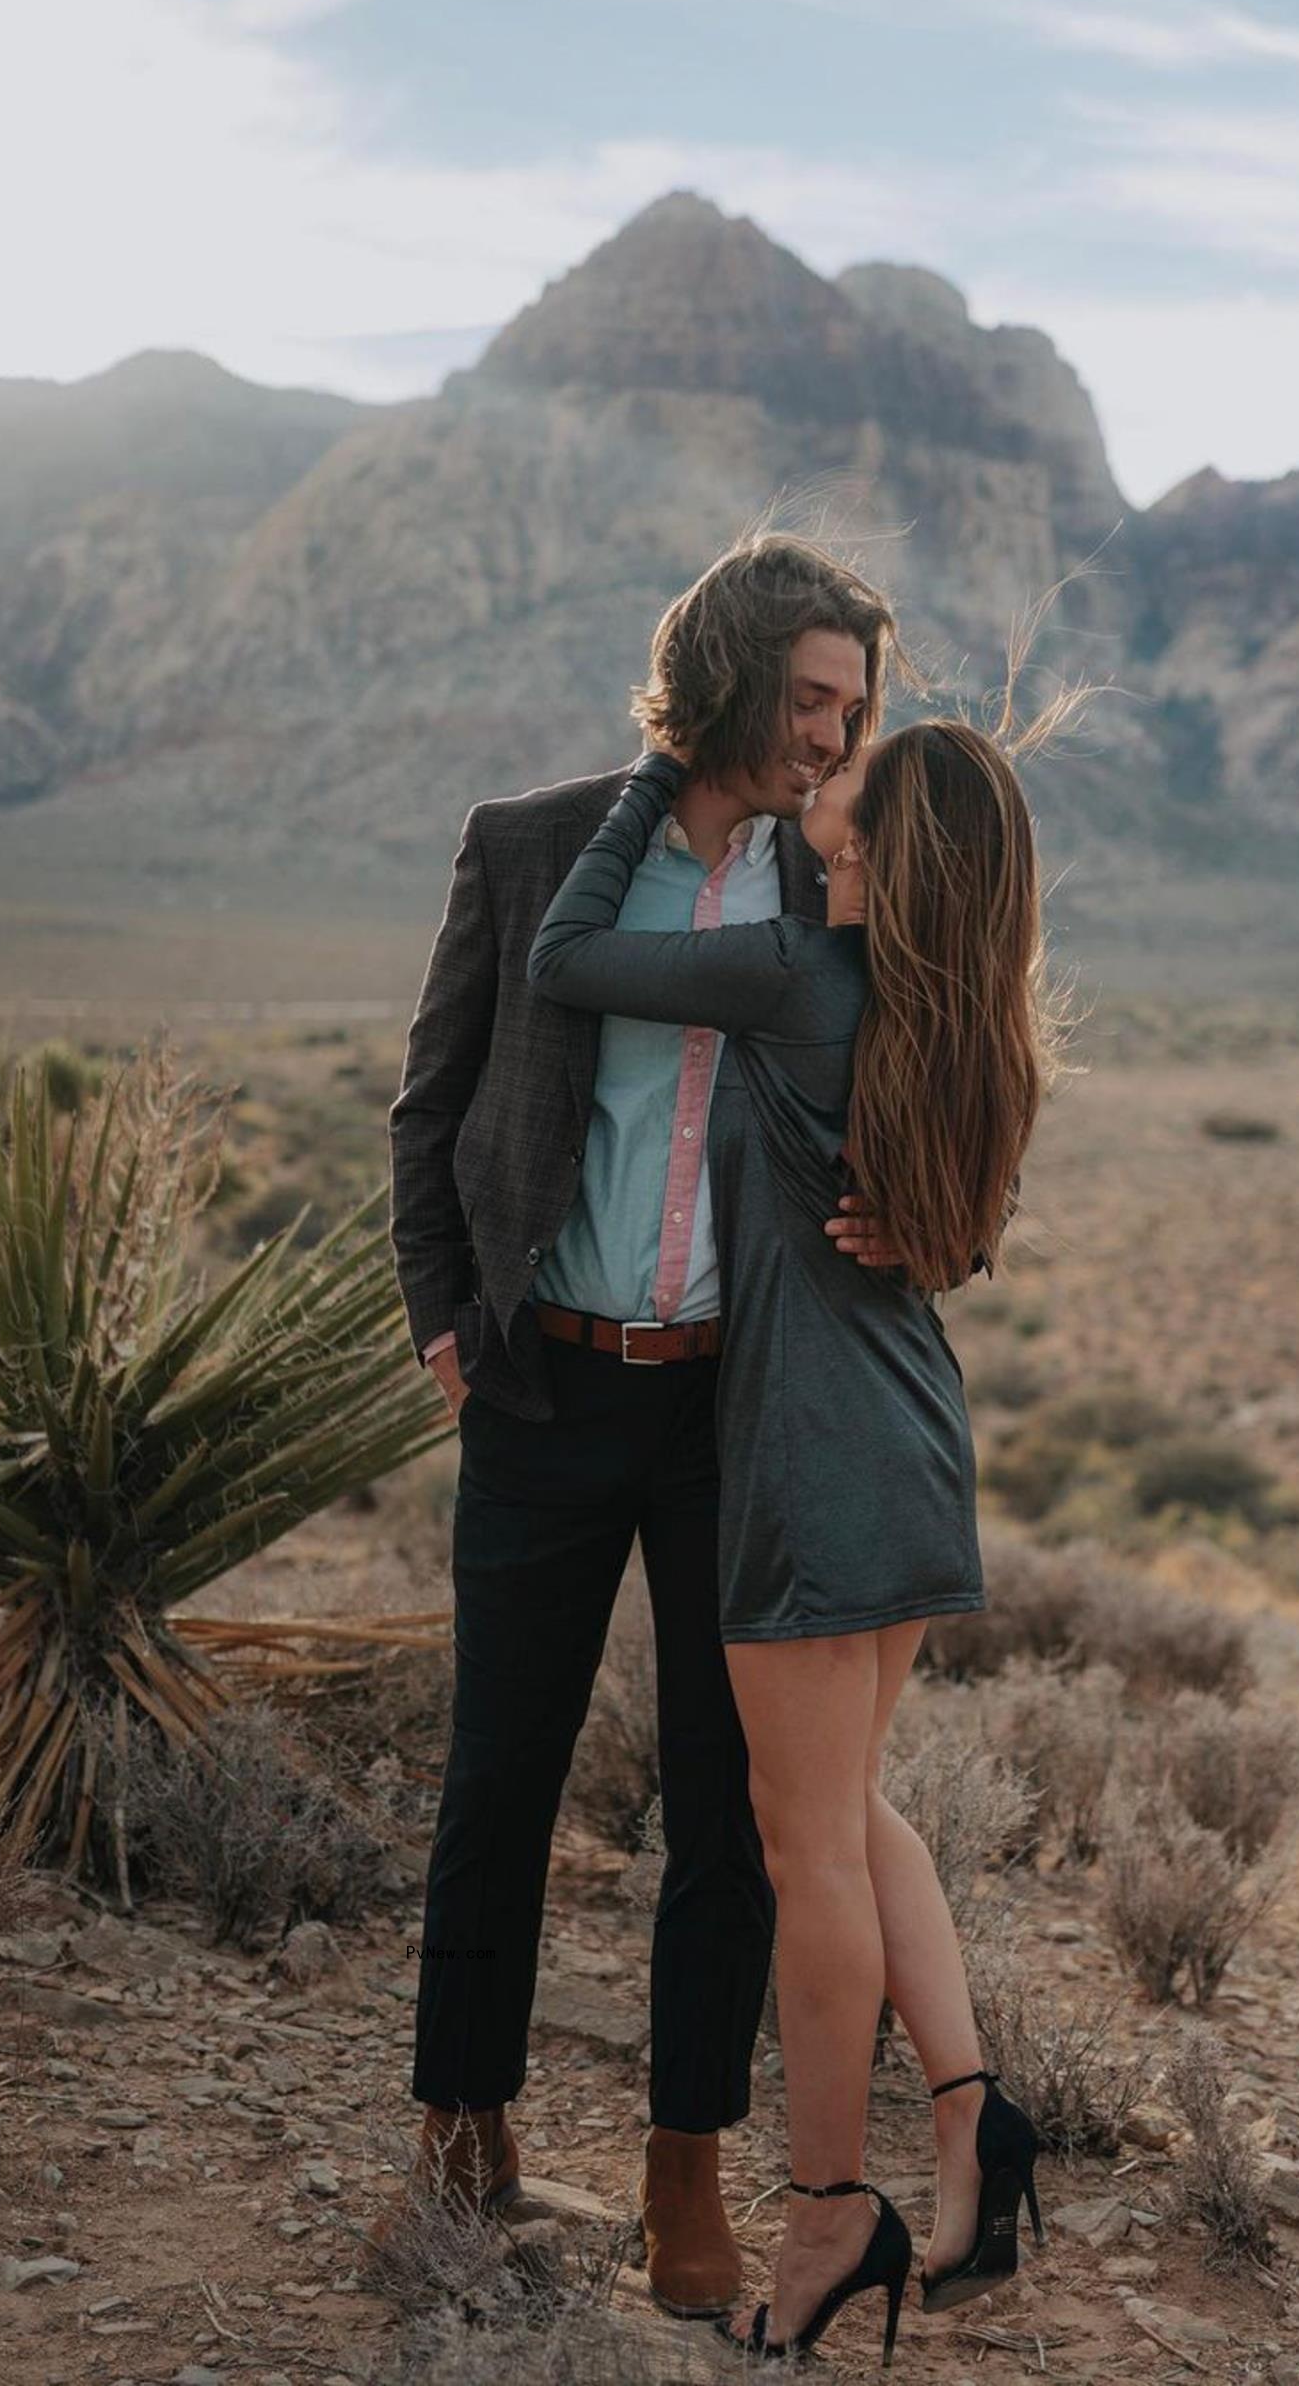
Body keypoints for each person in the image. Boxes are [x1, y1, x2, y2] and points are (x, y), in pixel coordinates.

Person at [383, 531, 906, 2317]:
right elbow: (429, 1100)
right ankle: (465, 2121)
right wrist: (441, 1315)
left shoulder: (837, 881)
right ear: (734, 680)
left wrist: (929, 1221)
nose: (836, 740)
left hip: (730, 1415)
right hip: (542, 1382)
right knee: (499, 1772)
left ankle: (688, 2167)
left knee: (725, 1811)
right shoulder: (532, 847)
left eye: (856, 708)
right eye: (813, 699)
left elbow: (937, 1099)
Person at [527, 704, 1074, 2364]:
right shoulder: (961, 1020)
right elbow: (958, 1229)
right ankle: (976, 2117)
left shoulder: (785, 971)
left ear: (883, 847)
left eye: (848, 780)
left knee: (806, 1850)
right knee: (848, 1810)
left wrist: (648, 772)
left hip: (812, 1454)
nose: (818, 781)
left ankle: (832, 2207)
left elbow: (566, 954)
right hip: (909, 1432)